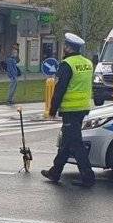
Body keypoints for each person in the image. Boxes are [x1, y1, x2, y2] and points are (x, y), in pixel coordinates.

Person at [41, 33, 95, 187]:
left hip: (71, 109)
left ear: (68, 47)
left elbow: (60, 89)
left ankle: (88, 176)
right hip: (83, 107)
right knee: (66, 142)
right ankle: (55, 172)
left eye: (65, 46)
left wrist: (52, 109)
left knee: (76, 144)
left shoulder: (67, 64)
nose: (63, 48)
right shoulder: (88, 63)